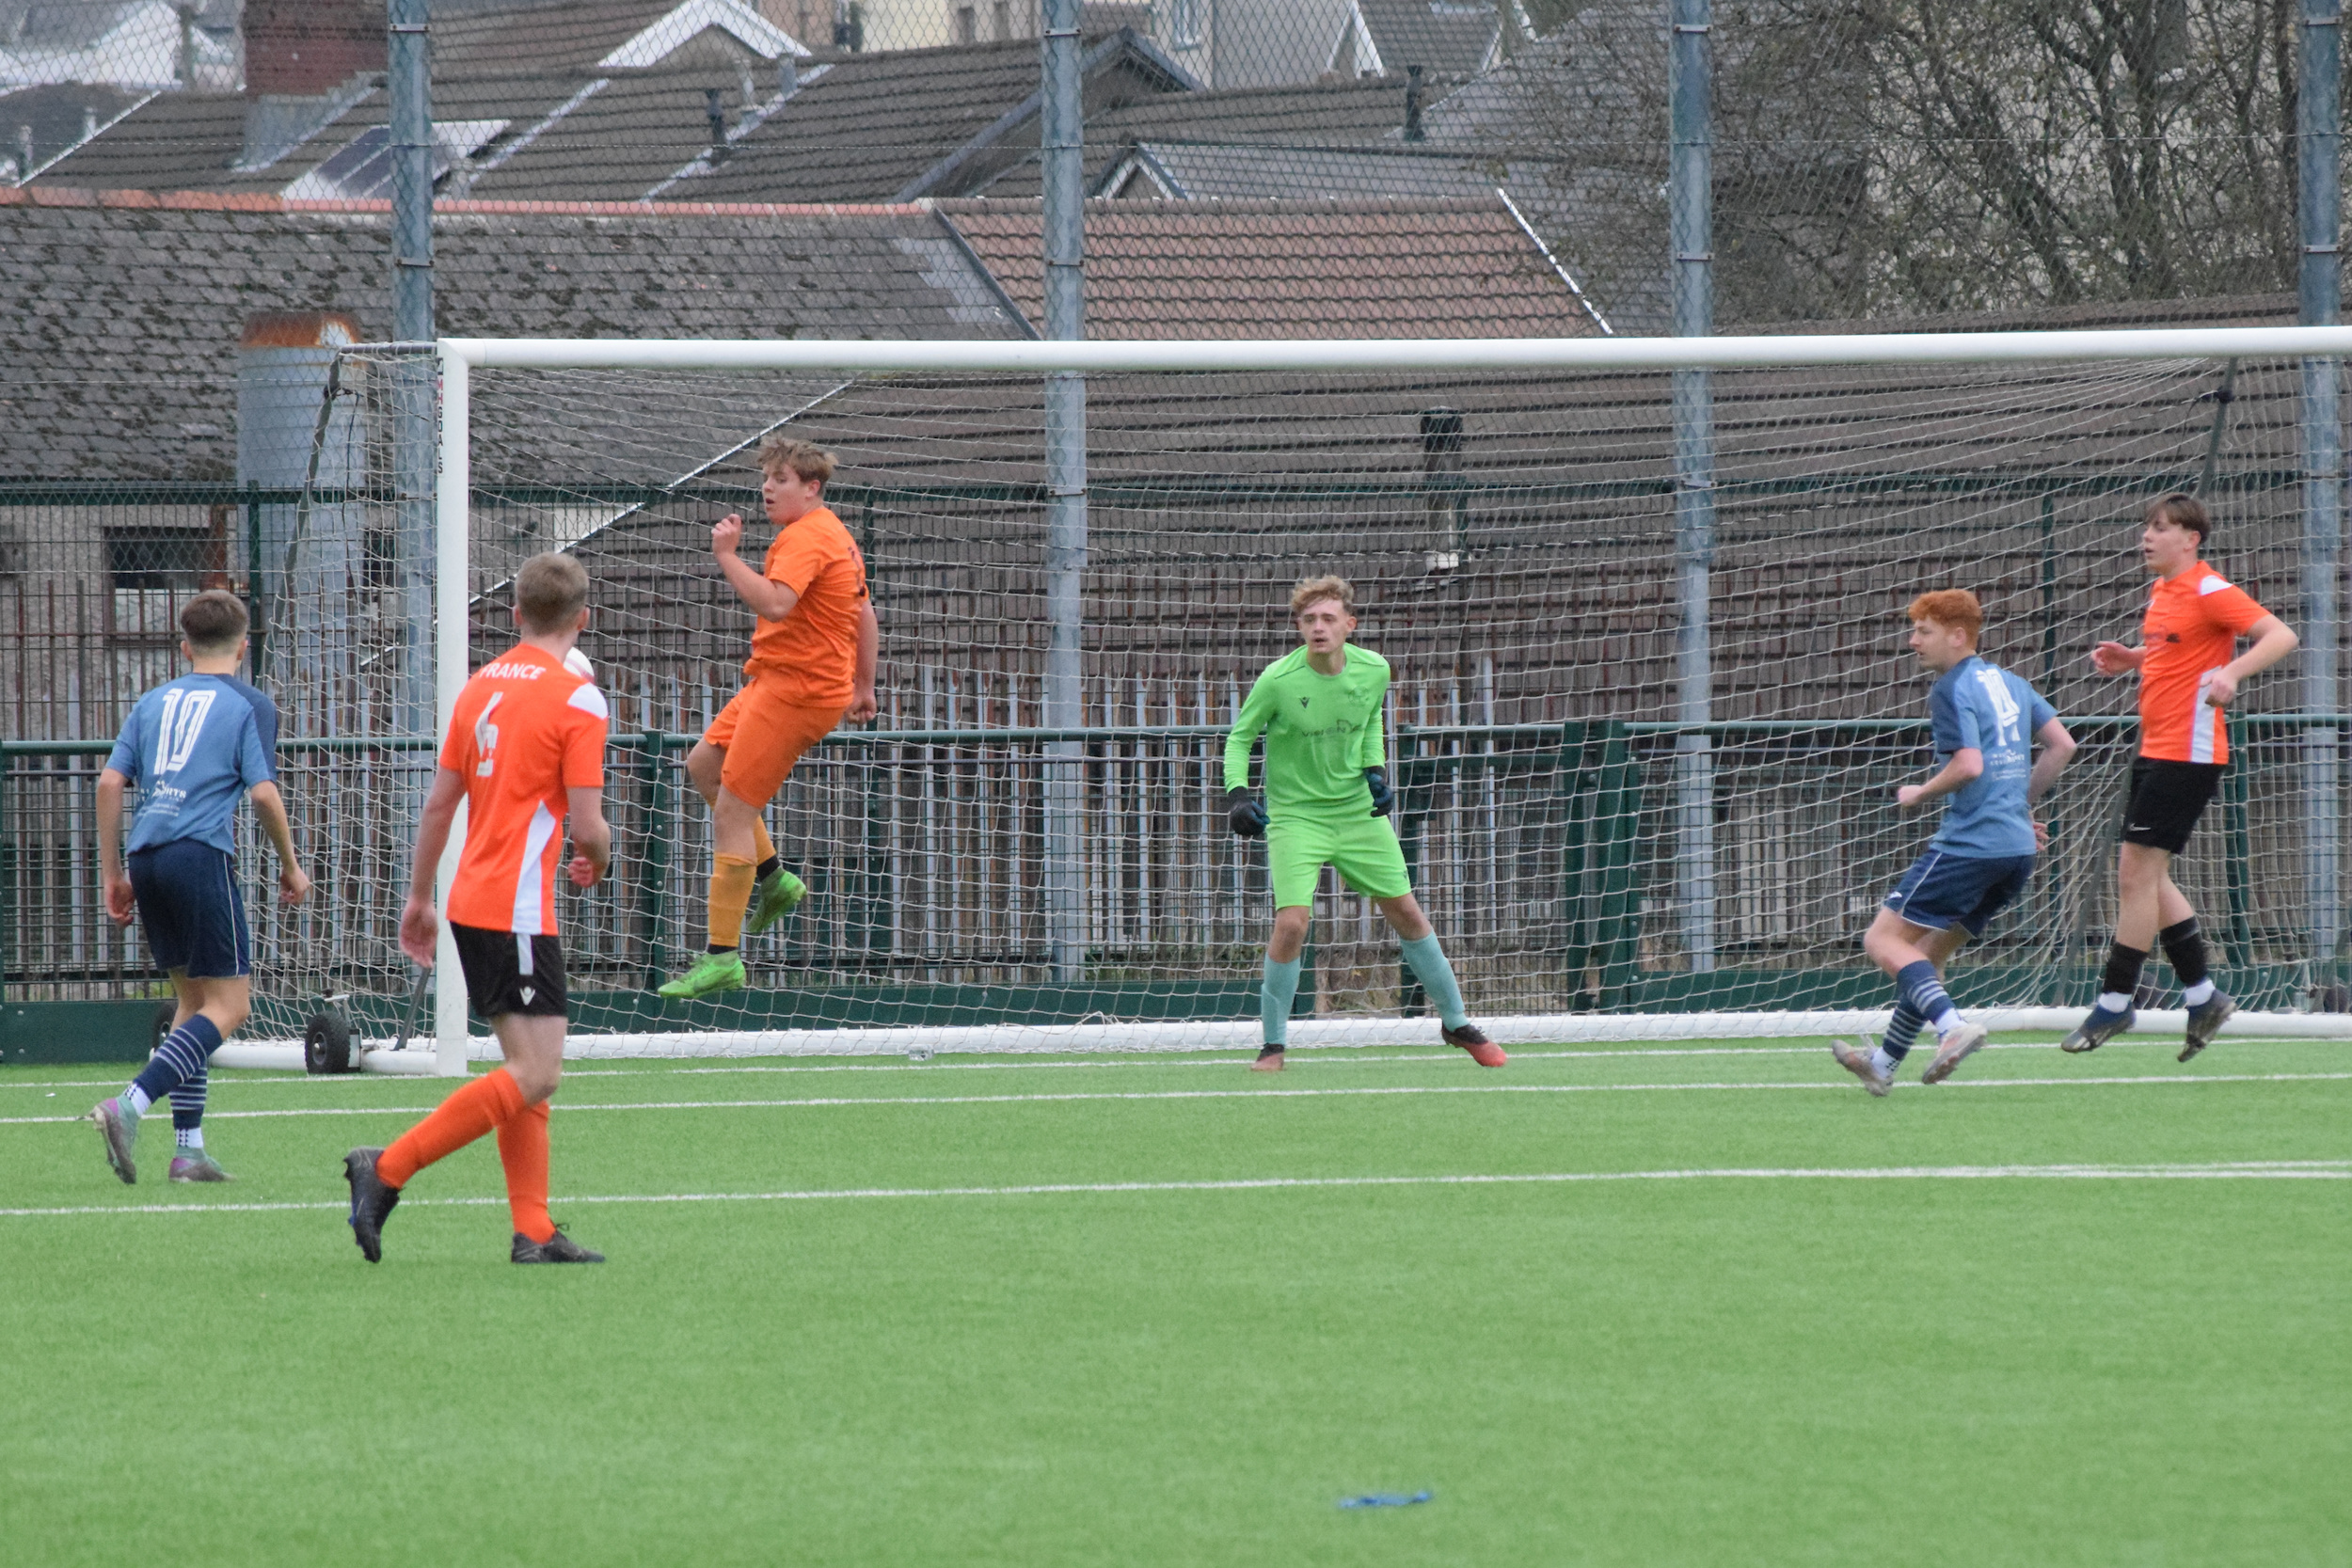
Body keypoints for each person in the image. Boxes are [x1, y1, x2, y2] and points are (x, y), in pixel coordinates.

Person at [342, 552, 612, 1264]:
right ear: (583, 618)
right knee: (538, 1072)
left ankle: (534, 1229)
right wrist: (600, 857)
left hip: (471, 897)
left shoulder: (479, 687)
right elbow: (589, 826)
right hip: (518, 906)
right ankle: (387, 1168)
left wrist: (419, 895)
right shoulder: (579, 698)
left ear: (516, 613)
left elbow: (440, 803)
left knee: (528, 1067)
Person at [1223, 576, 1502, 1071]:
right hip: (1297, 817)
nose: (1318, 627)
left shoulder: (1375, 670)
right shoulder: (1278, 681)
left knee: (1408, 913)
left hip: (1356, 812)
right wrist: (1239, 796)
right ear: (1299, 628)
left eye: (1328, 618)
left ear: (1349, 625)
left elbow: (1370, 719)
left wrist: (1375, 770)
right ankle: (1273, 1045)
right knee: (1292, 923)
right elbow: (1239, 739)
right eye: (1308, 620)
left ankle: (1456, 1023)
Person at [2060, 492, 2298, 1060]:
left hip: (2188, 754)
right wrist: (2133, 658)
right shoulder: (2164, 592)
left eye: (2160, 528)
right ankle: (2203, 996)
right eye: (2146, 527)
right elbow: (2178, 651)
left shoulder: (2210, 587)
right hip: (2159, 748)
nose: (2147, 536)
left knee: (2134, 875)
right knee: (2150, 876)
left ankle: (2115, 1003)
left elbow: (2280, 635)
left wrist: (2233, 673)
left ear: (2190, 539)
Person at [87, 591, 310, 1182]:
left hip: (147, 855)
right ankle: (128, 1104)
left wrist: (114, 873)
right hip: (198, 855)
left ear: (184, 647)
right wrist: (291, 865)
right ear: (244, 646)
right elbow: (263, 793)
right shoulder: (250, 703)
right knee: (232, 1005)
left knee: (192, 1004)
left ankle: (188, 1151)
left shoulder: (153, 701)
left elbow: (110, 785)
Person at [658, 436, 880, 1000]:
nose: (767, 487)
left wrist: (728, 556)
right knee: (704, 764)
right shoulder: (829, 533)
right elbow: (865, 612)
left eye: (780, 478)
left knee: (733, 807)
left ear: (812, 488)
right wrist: (864, 684)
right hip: (778, 679)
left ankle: (722, 958)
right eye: (766, 478)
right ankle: (773, 878)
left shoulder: (808, 537)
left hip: (798, 691)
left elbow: (777, 603)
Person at [1832, 591, 2076, 1093]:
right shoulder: (2011, 682)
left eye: (1923, 631)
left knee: (1882, 940)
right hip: (2016, 853)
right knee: (1927, 957)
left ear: (1957, 635)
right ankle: (1882, 1065)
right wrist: (2017, 807)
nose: (1912, 641)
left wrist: (1919, 791)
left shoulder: (1950, 688)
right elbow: (2063, 745)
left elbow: (1968, 766)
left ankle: (1952, 1028)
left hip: (1970, 847)